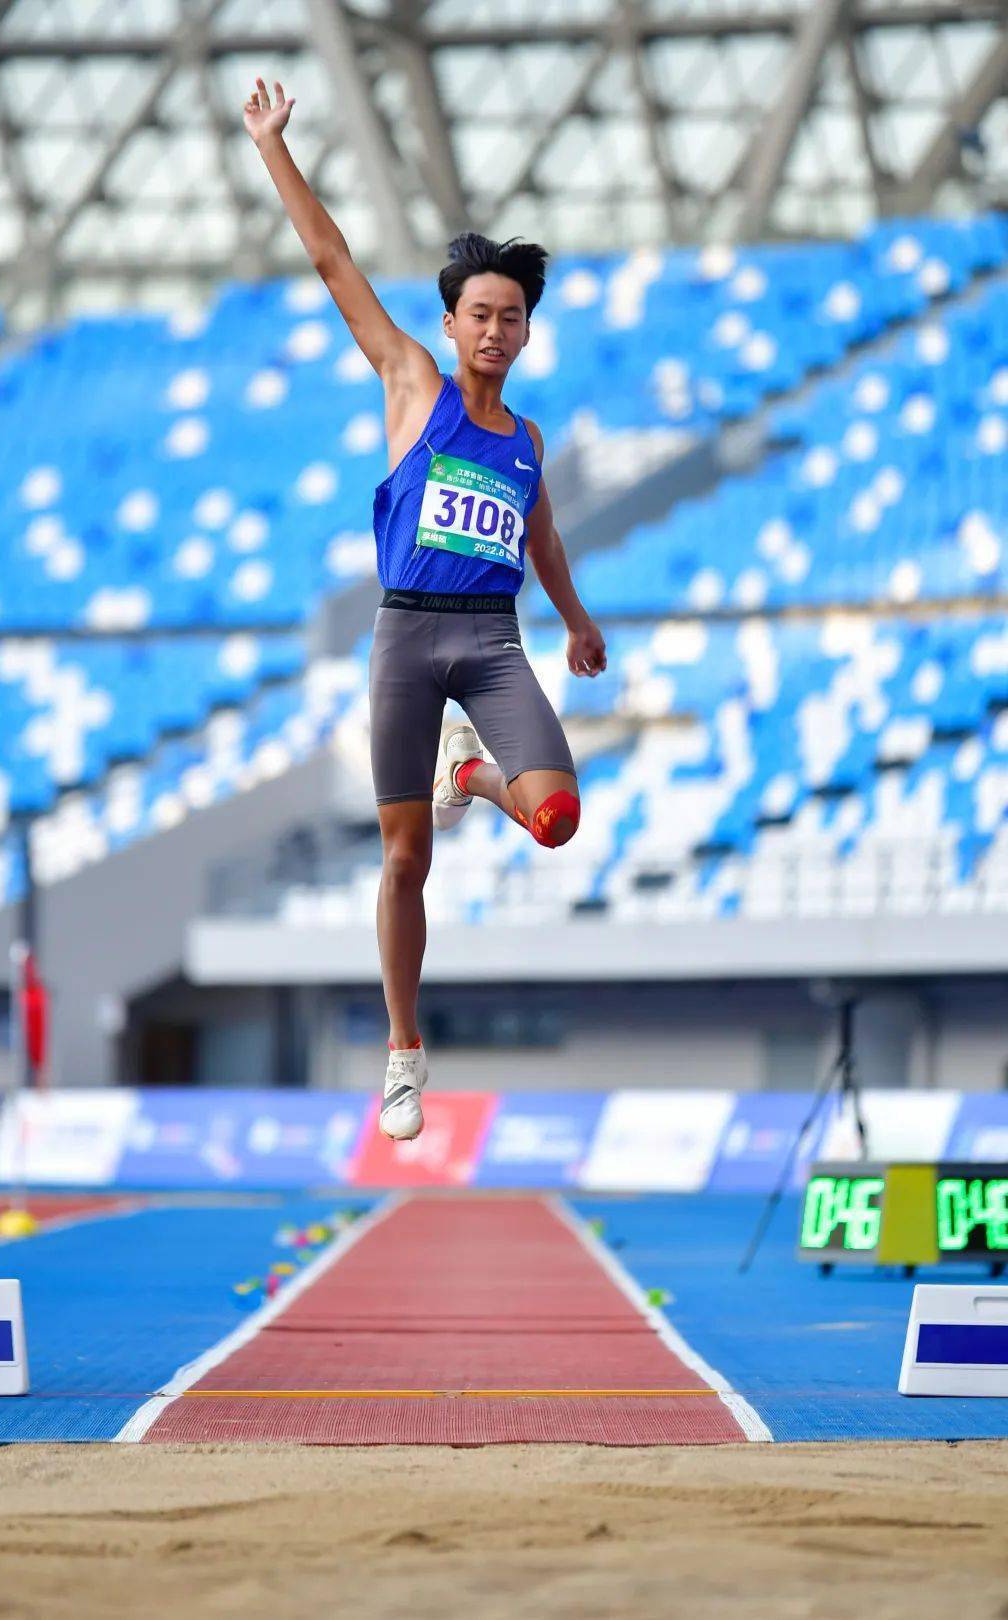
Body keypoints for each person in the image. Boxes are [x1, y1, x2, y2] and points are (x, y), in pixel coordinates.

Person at [245, 78, 606, 1141]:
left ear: (528, 334)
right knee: (408, 860)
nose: (495, 330)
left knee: (556, 816)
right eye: (480, 314)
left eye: (513, 317)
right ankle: (405, 1050)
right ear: (452, 324)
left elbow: (537, 537)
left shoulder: (528, 442)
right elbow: (330, 263)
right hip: (407, 635)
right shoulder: (411, 382)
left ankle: (473, 772)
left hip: (492, 643)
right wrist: (273, 147)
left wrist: (577, 621)